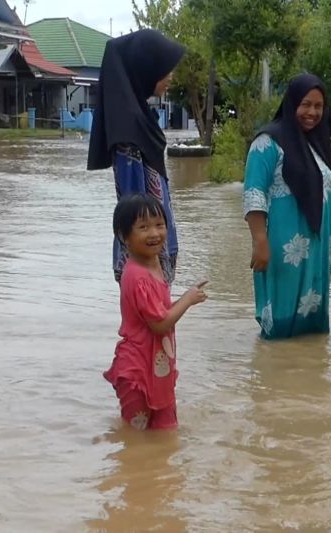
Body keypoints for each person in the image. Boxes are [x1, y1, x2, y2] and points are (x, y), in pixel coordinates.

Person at [243, 73, 331, 339]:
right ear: (291, 104)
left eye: (318, 106)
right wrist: (259, 241)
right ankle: (273, 374)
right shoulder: (268, 143)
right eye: (305, 104)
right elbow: (254, 192)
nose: (312, 112)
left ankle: (309, 373)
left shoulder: (318, 145)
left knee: (312, 327)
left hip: (318, 248)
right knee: (280, 318)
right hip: (283, 248)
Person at [87, 29, 186, 285]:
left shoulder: (141, 119)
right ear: (146, 70)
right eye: (164, 70)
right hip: (145, 257)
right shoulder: (128, 131)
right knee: (149, 322)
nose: (171, 77)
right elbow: (131, 202)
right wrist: (149, 265)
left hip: (155, 248)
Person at [104, 194, 208, 430]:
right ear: (123, 236)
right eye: (143, 227)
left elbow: (158, 312)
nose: (154, 233)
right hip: (138, 371)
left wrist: (184, 298)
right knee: (135, 440)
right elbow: (159, 324)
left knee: (167, 432)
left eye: (159, 225)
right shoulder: (136, 275)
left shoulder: (154, 264)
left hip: (159, 368)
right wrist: (188, 299)